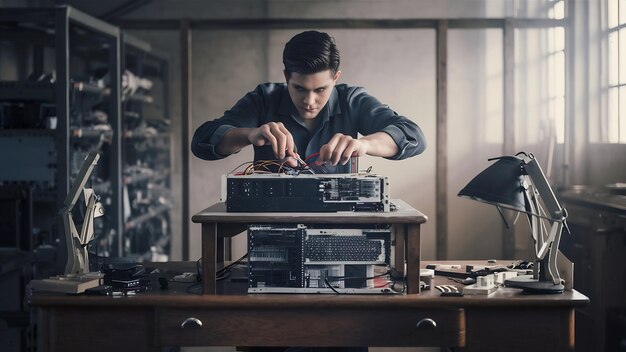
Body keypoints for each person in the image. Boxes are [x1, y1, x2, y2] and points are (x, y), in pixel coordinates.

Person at [191, 30, 426, 172]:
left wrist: (364, 145)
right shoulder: (264, 98)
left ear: (336, 78)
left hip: (339, 228)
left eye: (321, 89)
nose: (310, 101)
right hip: (272, 228)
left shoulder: (352, 100)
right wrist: (248, 135)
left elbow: (413, 135)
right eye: (299, 89)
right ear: (286, 77)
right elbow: (202, 140)